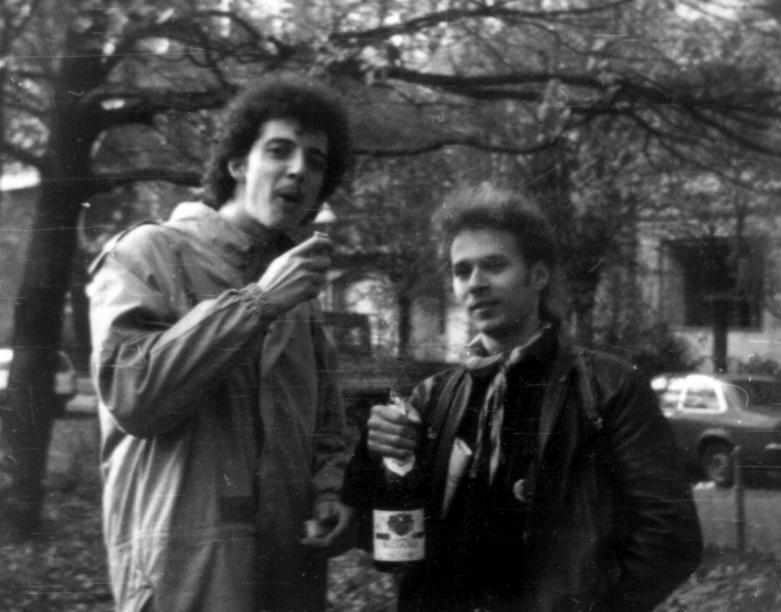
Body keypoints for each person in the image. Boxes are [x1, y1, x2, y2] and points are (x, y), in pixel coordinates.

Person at [342, 183, 703, 612]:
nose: (476, 284)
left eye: (494, 265)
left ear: (538, 275)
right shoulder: (431, 398)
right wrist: (373, 457)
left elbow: (672, 536)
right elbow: (381, 539)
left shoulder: (609, 386)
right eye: (462, 271)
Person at [87, 74, 354, 612]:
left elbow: (327, 425)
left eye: (316, 161)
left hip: (287, 576)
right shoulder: (149, 252)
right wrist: (258, 303)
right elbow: (134, 397)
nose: (299, 170)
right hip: (183, 578)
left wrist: (331, 493)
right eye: (278, 150)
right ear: (236, 164)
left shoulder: (298, 291)